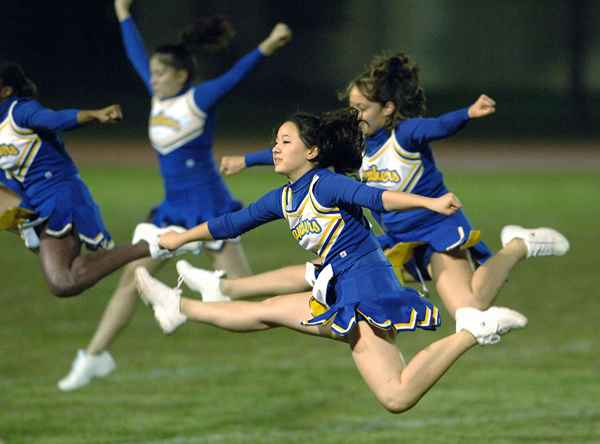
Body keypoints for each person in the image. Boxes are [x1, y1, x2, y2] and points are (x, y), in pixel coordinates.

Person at [136, 108, 528, 414]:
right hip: (338, 284)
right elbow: (229, 223)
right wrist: (179, 238)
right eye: (275, 140)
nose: (275, 147)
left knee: (396, 394)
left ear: (311, 151)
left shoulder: (326, 183)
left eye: (285, 141)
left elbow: (378, 198)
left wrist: (431, 202)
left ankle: (475, 330)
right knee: (267, 312)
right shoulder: (284, 197)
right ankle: (179, 306)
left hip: (366, 286)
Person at [199, 52, 569, 310]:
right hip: (397, 237)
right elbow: (304, 150)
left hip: (436, 225)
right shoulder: (355, 146)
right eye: (352, 107)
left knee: (470, 310)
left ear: (388, 108)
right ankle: (227, 288)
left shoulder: (405, 134)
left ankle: (519, 244)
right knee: (322, 267)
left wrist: (468, 113)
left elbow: (439, 126)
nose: (355, 115)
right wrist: (247, 160)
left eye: (362, 108)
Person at [57, 0, 292, 391]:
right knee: (132, 279)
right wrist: (123, 14)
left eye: (160, 73)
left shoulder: (196, 101)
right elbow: (135, 52)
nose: (153, 78)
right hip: (170, 213)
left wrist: (269, 44)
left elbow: (235, 76)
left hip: (210, 208)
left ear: (181, 75)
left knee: (245, 298)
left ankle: (317, 288)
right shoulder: (157, 97)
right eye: (152, 72)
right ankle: (94, 357)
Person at [0, 61, 184, 296]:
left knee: (63, 282)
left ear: (6, 91)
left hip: (60, 196)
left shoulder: (20, 111)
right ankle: (153, 243)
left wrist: (94, 115)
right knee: (66, 281)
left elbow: (56, 119)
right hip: (37, 206)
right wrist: (18, 216)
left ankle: (153, 244)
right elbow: (7, 179)